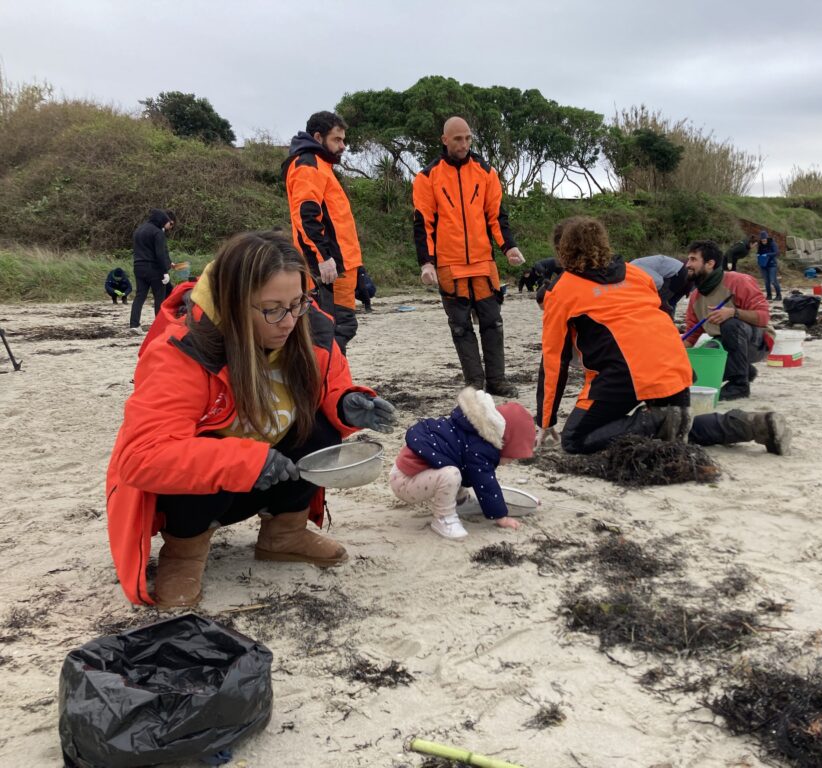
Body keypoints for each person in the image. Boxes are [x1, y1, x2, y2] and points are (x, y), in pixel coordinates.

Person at [105, 231, 397, 608]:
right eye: (272, 308)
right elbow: (141, 458)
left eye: (298, 303)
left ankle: (284, 534)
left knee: (320, 428)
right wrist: (246, 460)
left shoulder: (314, 331)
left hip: (271, 472)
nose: (289, 321)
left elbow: (329, 388)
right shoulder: (183, 351)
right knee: (201, 452)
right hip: (202, 498)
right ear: (233, 303)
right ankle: (185, 553)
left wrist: (346, 404)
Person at [535, 218, 791, 456]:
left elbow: (553, 361)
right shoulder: (636, 274)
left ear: (562, 251)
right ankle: (756, 425)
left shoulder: (561, 291)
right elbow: (659, 317)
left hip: (627, 373)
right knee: (679, 429)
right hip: (675, 366)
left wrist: (546, 421)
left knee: (575, 440)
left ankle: (656, 419)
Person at [413, 116, 524, 397]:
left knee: (493, 322)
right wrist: (427, 262)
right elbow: (423, 222)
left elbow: (496, 215)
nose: (464, 144)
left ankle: (497, 380)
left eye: (467, 138)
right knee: (461, 328)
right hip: (449, 265)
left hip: (484, 263)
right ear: (445, 140)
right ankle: (475, 383)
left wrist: (508, 246)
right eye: (458, 139)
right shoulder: (427, 177)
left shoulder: (486, 172)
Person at [390, 388, 533, 540]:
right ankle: (443, 518)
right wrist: (501, 517)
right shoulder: (479, 448)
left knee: (457, 461)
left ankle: (460, 502)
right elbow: (486, 484)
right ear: (505, 442)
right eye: (513, 455)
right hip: (405, 483)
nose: (511, 461)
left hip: (408, 475)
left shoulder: (472, 430)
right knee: (452, 474)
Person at [283, 111, 363, 353]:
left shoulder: (322, 166)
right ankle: (325, 381)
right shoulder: (308, 165)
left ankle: (332, 382)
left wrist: (359, 269)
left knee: (339, 328)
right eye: (337, 140)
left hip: (341, 266)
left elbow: (337, 223)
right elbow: (306, 217)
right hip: (328, 270)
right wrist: (323, 258)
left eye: (343, 140)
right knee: (331, 332)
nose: (343, 146)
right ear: (318, 137)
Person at [683, 240, 774, 401]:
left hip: (758, 341)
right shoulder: (696, 297)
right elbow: (691, 336)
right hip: (724, 342)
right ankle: (746, 370)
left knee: (730, 324)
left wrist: (733, 313)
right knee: (702, 364)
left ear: (710, 263)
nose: (687, 264)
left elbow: (763, 317)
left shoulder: (737, 281)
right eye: (688, 259)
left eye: (693, 259)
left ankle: (739, 385)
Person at [129, 208, 175, 331]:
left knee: (140, 296)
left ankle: (134, 325)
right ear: (161, 220)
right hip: (154, 269)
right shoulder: (157, 232)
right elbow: (159, 254)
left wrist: (169, 263)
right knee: (159, 297)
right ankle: (159, 327)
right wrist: (165, 272)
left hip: (138, 266)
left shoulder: (138, 230)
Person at [630, 254, 693, 318]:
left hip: (677, 275)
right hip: (677, 274)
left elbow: (659, 282)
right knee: (667, 304)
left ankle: (666, 323)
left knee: (658, 304)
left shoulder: (635, 268)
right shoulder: (632, 269)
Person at [755, 230, 782, 301]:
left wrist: (767, 254)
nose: (763, 242)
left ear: (767, 238)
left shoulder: (772, 243)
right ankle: (769, 296)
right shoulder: (760, 244)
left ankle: (779, 295)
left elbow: (776, 252)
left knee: (773, 280)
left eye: (764, 240)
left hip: (772, 265)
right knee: (766, 281)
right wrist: (758, 255)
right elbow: (759, 252)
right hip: (763, 265)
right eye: (762, 240)